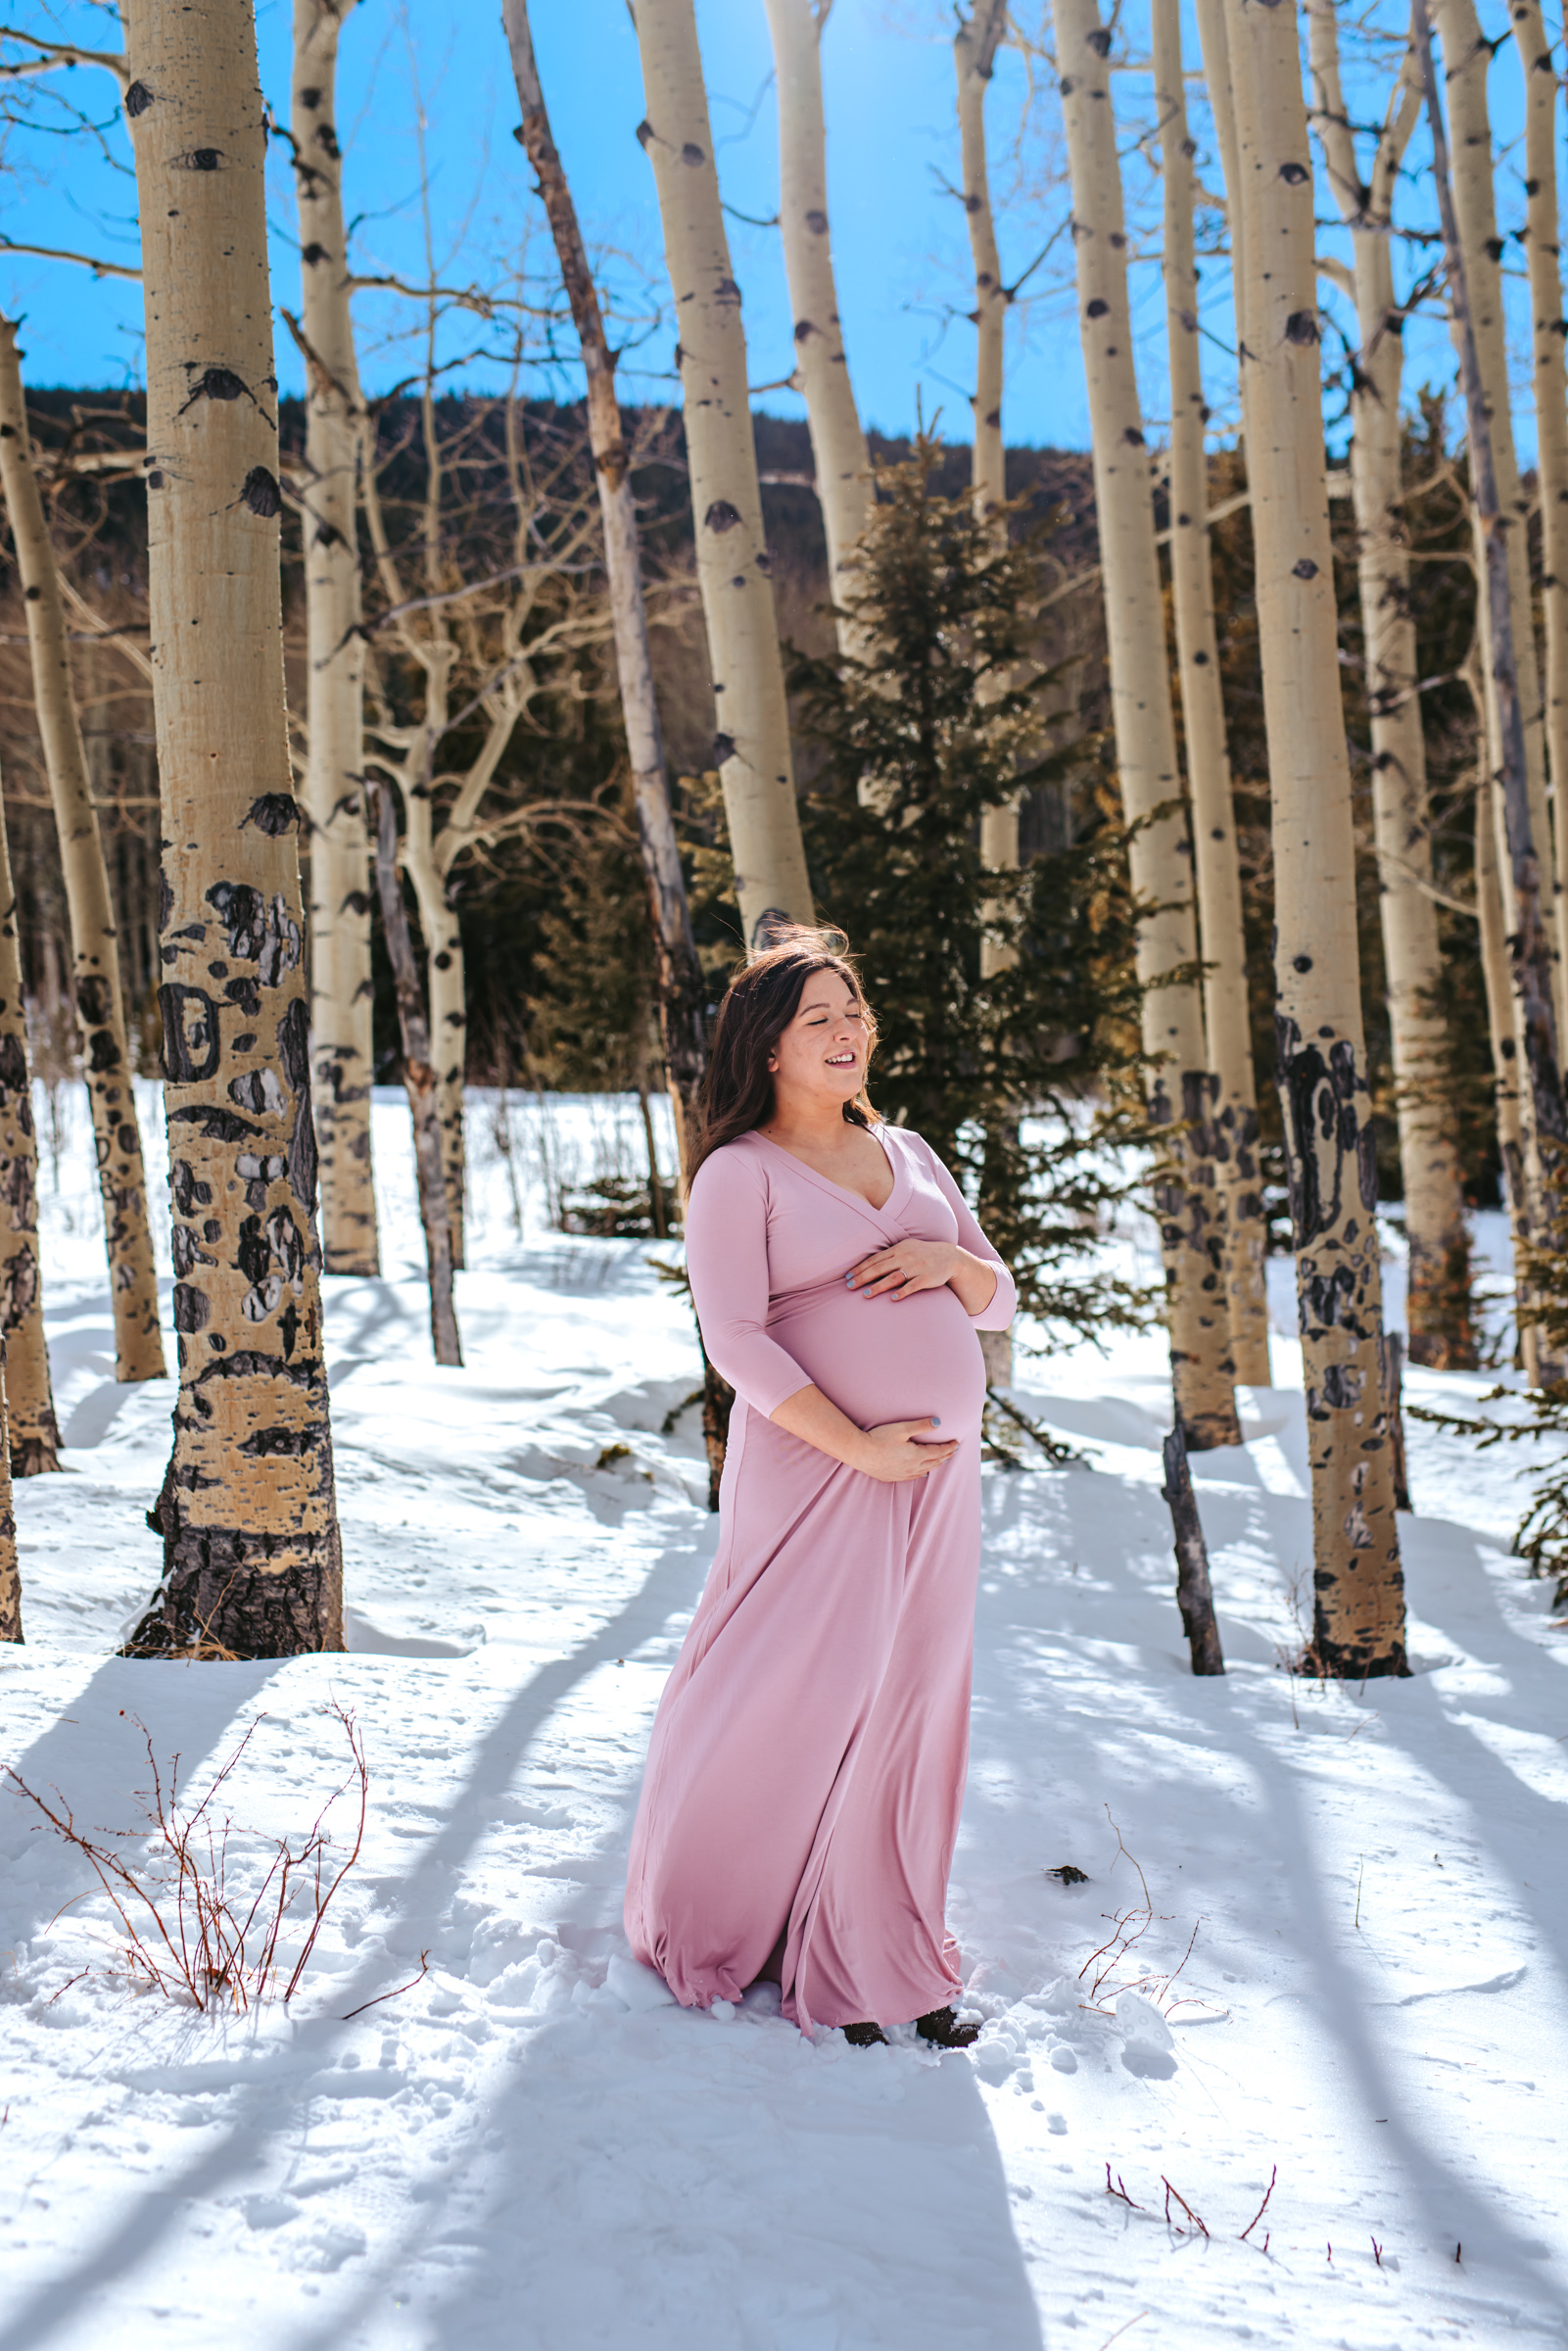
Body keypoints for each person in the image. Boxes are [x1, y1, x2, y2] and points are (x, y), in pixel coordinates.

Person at [624, 930, 1017, 2045]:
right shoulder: (737, 1172)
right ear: (768, 1049)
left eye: (853, 1010)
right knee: (792, 1690)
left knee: (909, 1698)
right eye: (818, 1020)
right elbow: (735, 1344)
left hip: (933, 1485)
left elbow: (997, 1304)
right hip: (814, 1471)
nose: (847, 1033)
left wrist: (951, 1265)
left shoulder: (913, 1152)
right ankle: (725, 1913)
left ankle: (869, 1952)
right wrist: (858, 1446)